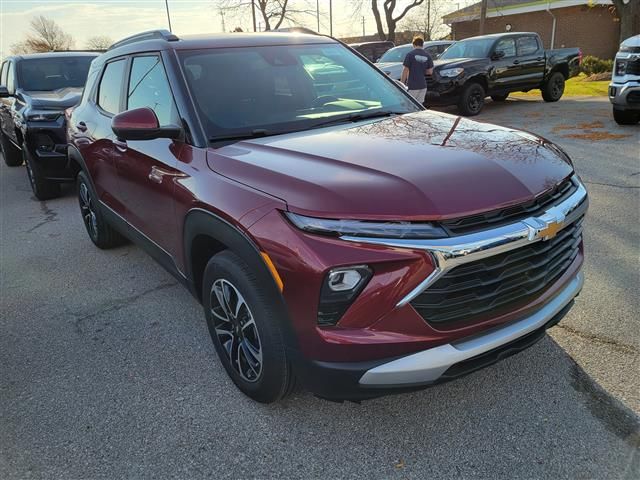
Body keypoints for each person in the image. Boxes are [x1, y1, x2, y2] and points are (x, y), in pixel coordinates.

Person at [400, 36, 434, 104]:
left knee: (409, 105)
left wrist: (402, 84)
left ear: (414, 44)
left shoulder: (410, 54)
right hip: (423, 86)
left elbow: (405, 70)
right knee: (419, 106)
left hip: (412, 86)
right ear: (422, 44)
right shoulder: (428, 55)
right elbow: (430, 72)